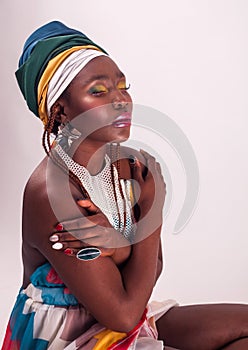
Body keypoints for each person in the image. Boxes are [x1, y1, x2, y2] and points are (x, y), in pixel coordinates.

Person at [1, 21, 248, 350]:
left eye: (123, 85)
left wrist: (120, 246)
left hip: (122, 313)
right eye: (99, 91)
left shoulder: (125, 167)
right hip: (63, 336)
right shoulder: (51, 191)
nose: (121, 100)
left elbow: (152, 267)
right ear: (60, 110)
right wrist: (152, 208)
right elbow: (122, 314)